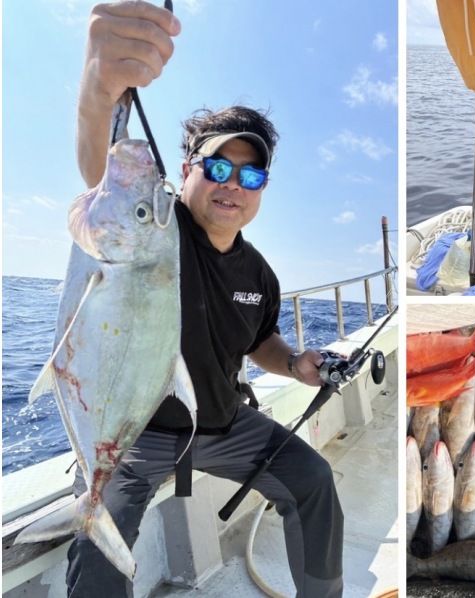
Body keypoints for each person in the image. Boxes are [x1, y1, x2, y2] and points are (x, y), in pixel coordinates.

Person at [68, 3, 343, 596]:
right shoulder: (155, 232)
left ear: (262, 190)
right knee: (97, 542)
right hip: (139, 432)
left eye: (250, 176)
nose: (232, 185)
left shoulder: (260, 273)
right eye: (219, 166)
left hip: (224, 422)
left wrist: (295, 362)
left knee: (315, 479)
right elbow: (106, 189)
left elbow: (261, 339)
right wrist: (98, 91)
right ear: (187, 170)